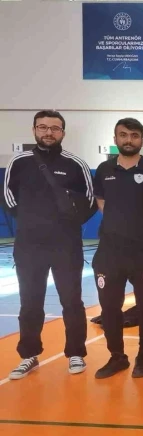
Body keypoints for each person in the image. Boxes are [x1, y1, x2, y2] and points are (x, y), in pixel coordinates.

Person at [4, 110, 96, 380]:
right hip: (29, 246)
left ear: (63, 133)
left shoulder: (76, 164)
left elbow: (90, 200)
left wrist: (68, 223)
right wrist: (30, 220)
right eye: (43, 127)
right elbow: (7, 195)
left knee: (72, 301)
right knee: (30, 302)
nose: (48, 132)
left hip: (66, 246)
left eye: (54, 128)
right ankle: (29, 355)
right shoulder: (19, 162)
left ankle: (76, 352)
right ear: (34, 130)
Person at [92, 118, 143, 379]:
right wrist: (118, 225)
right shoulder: (104, 169)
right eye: (123, 135)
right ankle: (117, 357)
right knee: (109, 308)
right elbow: (101, 201)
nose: (128, 140)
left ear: (142, 141)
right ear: (115, 139)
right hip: (109, 253)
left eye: (134, 135)